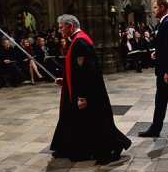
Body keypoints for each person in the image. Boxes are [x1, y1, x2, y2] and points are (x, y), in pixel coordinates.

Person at [50, 14, 131, 164]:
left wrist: (81, 96)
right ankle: (75, 149)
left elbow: (85, 71)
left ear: (71, 26)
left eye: (62, 28)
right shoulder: (77, 39)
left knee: (98, 122)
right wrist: (67, 80)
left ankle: (117, 144)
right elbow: (76, 69)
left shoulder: (80, 42)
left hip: (89, 92)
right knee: (86, 121)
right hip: (85, 90)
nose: (59, 31)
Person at [138, 0, 168, 137]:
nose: (153, 10)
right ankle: (155, 128)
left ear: (162, 7)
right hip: (164, 68)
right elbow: (165, 46)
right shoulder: (164, 23)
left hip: (166, 71)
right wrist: (158, 53)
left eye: (155, 7)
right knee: (163, 100)